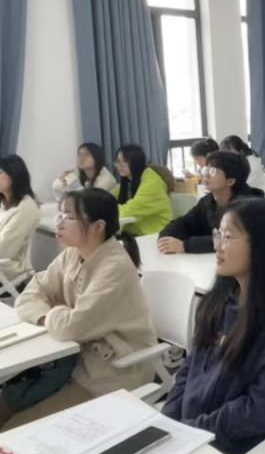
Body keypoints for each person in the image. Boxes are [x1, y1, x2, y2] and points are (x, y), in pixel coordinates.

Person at [162, 199, 265, 454]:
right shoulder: (219, 300)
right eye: (217, 234)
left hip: (231, 452)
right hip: (190, 436)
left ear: (261, 244)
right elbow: (190, 368)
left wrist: (194, 431)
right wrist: (168, 422)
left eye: (228, 237)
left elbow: (262, 408)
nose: (217, 245)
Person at [3, 189, 157, 429]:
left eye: (68, 217)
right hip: (68, 363)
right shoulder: (72, 254)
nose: (59, 222)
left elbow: (71, 327)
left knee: (16, 429)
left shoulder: (114, 268)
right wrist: (53, 315)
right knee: (4, 407)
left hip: (107, 374)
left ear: (98, 227)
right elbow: (29, 296)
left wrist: (55, 313)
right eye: (60, 215)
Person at [158, 152, 263, 254]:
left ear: (230, 181)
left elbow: (230, 240)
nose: (206, 175)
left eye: (213, 171)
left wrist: (185, 246)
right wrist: (166, 237)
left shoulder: (248, 207)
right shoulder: (208, 201)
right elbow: (185, 223)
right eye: (206, 169)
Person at [112, 144, 172, 236]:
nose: (120, 166)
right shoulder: (128, 182)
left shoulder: (151, 184)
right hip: (136, 235)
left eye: (125, 161)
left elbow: (128, 211)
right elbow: (107, 198)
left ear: (136, 162)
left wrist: (103, 210)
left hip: (157, 236)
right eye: (118, 161)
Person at [0, 155, 40, 283]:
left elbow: (4, 249)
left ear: (14, 175)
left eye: (0, 172)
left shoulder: (26, 207)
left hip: (9, 265)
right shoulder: (3, 203)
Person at [52, 143, 117, 201]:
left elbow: (88, 203)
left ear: (97, 158)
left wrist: (74, 184)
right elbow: (61, 198)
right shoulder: (82, 176)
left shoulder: (106, 179)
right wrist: (61, 181)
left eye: (87, 155)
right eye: (79, 155)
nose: (81, 158)